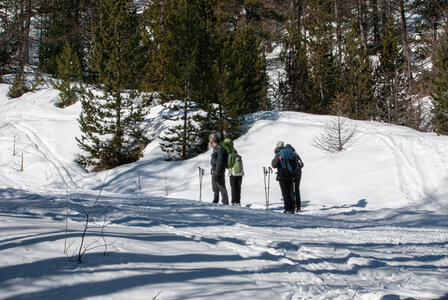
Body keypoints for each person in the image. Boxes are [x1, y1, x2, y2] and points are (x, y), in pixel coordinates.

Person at [271, 141, 295, 213]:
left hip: (282, 175)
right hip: (290, 175)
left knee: (285, 193)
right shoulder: (289, 153)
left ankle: (287, 209)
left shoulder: (279, 154)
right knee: (290, 191)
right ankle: (292, 208)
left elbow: (274, 165)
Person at [209, 133, 229, 204]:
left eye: (210, 139)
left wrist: (217, 171)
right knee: (215, 187)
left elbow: (220, 161)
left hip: (218, 170)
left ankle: (225, 201)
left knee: (221, 186)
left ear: (212, 140)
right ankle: (215, 200)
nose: (210, 141)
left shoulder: (219, 148)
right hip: (215, 170)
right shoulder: (216, 148)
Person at [285, 144, 304, 212]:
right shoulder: (295, 154)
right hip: (298, 174)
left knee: (291, 190)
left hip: (291, 174)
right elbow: (302, 164)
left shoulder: (287, 155)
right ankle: (298, 207)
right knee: (297, 190)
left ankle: (293, 206)